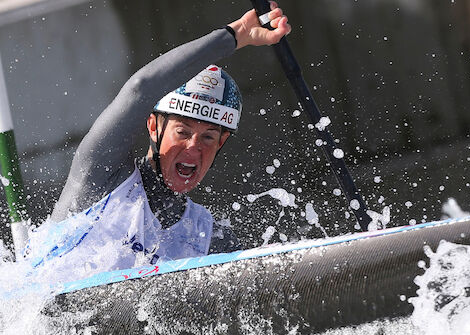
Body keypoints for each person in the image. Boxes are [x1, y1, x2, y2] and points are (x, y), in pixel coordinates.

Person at [24, 3, 291, 273]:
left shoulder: (210, 240)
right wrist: (236, 34)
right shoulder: (101, 175)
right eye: (183, 132)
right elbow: (141, 89)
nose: (193, 147)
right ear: (153, 127)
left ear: (220, 144)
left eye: (208, 138)